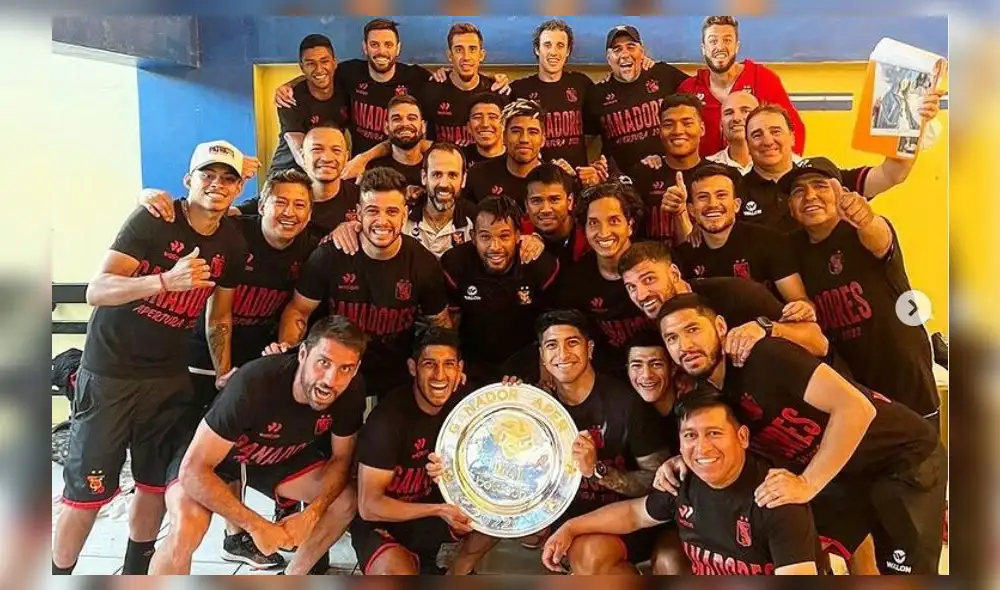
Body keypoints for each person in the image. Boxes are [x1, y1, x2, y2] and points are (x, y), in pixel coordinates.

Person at [52, 141, 249, 575]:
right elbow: (97, 289)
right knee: (87, 494)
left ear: (238, 188)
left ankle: (135, 574)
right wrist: (163, 281)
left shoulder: (232, 242)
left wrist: (222, 371)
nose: (216, 184)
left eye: (227, 178)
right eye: (207, 174)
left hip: (167, 379)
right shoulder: (154, 219)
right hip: (111, 373)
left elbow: (221, 316)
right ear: (188, 180)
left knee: (153, 485)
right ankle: (59, 575)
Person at [655, 293, 947, 575]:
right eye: (672, 338)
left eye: (692, 329)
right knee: (815, 550)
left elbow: (857, 409)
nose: (685, 345)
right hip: (841, 470)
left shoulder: (764, 356)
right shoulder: (711, 393)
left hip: (901, 457)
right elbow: (723, 441)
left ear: (720, 327)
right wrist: (685, 460)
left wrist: (809, 482)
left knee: (906, 572)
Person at [141, 169, 318, 569]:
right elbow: (192, 215)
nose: (289, 212)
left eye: (300, 205)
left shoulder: (309, 248)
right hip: (199, 365)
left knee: (234, 449)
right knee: (190, 467)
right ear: (262, 203)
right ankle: (170, 543)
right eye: (281, 202)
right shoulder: (236, 232)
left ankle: (236, 537)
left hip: (254, 365)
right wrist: (148, 195)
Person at [148, 316, 366, 575]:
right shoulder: (256, 381)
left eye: (345, 368)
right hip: (214, 458)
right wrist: (257, 526)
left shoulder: (351, 391)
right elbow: (193, 470)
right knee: (187, 527)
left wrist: (312, 514)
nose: (331, 379)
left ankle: (293, 576)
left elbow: (341, 459)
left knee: (346, 499)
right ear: (303, 354)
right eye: (323, 363)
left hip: (273, 457)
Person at [543, 388, 820, 575]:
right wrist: (570, 527)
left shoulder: (776, 498)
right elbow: (634, 514)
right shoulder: (684, 479)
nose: (702, 448)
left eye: (714, 433)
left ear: (743, 437)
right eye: (690, 436)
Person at [784, 157, 942, 423]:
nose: (810, 195)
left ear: (841, 192)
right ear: (790, 207)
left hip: (905, 382)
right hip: (854, 392)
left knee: (922, 461)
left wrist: (866, 219)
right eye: (798, 191)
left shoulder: (861, 230)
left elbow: (880, 238)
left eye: (820, 186)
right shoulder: (791, 249)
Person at [277, 167, 451, 399]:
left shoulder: (423, 263)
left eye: (391, 211)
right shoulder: (330, 256)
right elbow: (298, 311)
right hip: (334, 375)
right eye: (372, 211)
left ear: (405, 214)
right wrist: (288, 363)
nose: (382, 221)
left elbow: (440, 324)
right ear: (358, 213)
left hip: (395, 379)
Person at [529, 310, 672, 574]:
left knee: (590, 554)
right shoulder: (536, 406)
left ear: (590, 348)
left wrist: (598, 471)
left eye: (572, 342)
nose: (562, 354)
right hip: (564, 521)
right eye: (552, 345)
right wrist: (505, 400)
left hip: (626, 520)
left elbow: (659, 483)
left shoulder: (627, 404)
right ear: (542, 357)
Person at [352, 327, 498, 574]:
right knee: (393, 572)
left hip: (433, 521)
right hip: (386, 524)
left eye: (448, 364)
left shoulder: (468, 405)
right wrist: (439, 510)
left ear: (459, 369)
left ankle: (459, 571)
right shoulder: (388, 420)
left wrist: (514, 390)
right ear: (413, 368)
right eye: (429, 364)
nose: (440, 375)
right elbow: (369, 506)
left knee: (503, 511)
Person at [740, 96, 942, 233]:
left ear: (792, 137)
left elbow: (892, 174)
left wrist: (914, 121)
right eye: (757, 135)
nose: (767, 141)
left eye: (776, 131)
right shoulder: (733, 191)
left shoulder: (829, 179)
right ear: (747, 145)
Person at [618, 241, 828, 369]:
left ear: (674, 273)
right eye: (631, 287)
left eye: (649, 280)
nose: (641, 295)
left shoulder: (735, 293)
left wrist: (765, 328)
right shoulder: (654, 325)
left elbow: (819, 343)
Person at [440, 196, 560, 386]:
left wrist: (544, 367)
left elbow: (552, 324)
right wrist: (450, 365)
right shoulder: (455, 264)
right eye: (485, 237)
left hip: (525, 358)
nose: (495, 247)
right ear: (473, 236)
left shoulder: (540, 265)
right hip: (472, 361)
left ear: (518, 235)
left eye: (504, 236)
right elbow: (448, 326)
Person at [552, 182, 652, 380]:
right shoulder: (577, 278)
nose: (603, 231)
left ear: (630, 225)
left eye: (614, 220)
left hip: (658, 369)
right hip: (607, 378)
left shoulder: (656, 262)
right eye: (594, 223)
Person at [674, 163, 811, 307]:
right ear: (691, 210)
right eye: (702, 197)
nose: (712, 204)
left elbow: (799, 301)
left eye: (721, 195)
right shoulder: (683, 256)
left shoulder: (769, 241)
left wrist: (802, 309)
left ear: (737, 205)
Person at [679, 16, 805, 157]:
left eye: (727, 40)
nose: (720, 47)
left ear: (737, 46)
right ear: (703, 48)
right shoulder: (689, 89)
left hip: (756, 173)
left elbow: (794, 129)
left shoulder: (763, 79)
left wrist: (785, 172)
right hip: (707, 175)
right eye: (713, 41)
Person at [510, 19, 612, 181]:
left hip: (575, 179)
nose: (553, 52)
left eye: (560, 46)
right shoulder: (519, 89)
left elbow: (594, 130)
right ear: (537, 49)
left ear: (568, 51)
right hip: (534, 180)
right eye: (547, 45)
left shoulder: (582, 84)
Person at [584, 25, 689, 173]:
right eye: (617, 49)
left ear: (642, 51)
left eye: (631, 47)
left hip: (668, 172)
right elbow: (585, 140)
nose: (624, 54)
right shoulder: (597, 93)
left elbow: (698, 96)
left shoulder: (663, 74)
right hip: (622, 182)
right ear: (608, 58)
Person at [623, 93, 708, 244]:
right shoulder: (642, 173)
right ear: (660, 131)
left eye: (687, 123)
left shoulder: (716, 176)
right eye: (668, 125)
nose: (677, 131)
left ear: (701, 129)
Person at [419, 22, 511, 147]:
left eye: (472, 49)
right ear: (450, 55)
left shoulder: (497, 91)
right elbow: (420, 141)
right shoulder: (431, 91)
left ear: (481, 55)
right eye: (458, 50)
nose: (466, 57)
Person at [272, 35, 348, 172]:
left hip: (327, 168)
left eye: (324, 61)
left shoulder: (345, 86)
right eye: (310, 64)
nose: (319, 69)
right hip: (290, 171)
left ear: (334, 63)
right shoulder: (289, 98)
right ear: (302, 67)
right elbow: (300, 153)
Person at [464, 98, 546, 207]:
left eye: (533, 132)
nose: (524, 139)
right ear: (504, 137)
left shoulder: (555, 179)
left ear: (543, 140)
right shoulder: (477, 176)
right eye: (516, 131)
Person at [524, 162, 589, 269]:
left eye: (554, 199)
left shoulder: (588, 235)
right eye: (536, 201)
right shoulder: (516, 234)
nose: (545, 209)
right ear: (526, 205)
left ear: (570, 201)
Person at [364, 94, 427, 196]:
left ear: (423, 126)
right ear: (386, 127)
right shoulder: (373, 170)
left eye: (412, 118)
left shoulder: (435, 167)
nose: (405, 124)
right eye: (396, 119)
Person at [705, 91, 762, 174]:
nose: (736, 118)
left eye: (745, 111)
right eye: (729, 113)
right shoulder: (708, 167)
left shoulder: (777, 162)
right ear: (721, 124)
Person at [464, 92, 510, 167]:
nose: (485, 124)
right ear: (468, 127)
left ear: (504, 124)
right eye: (477, 117)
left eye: (492, 117)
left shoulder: (516, 159)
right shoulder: (458, 158)